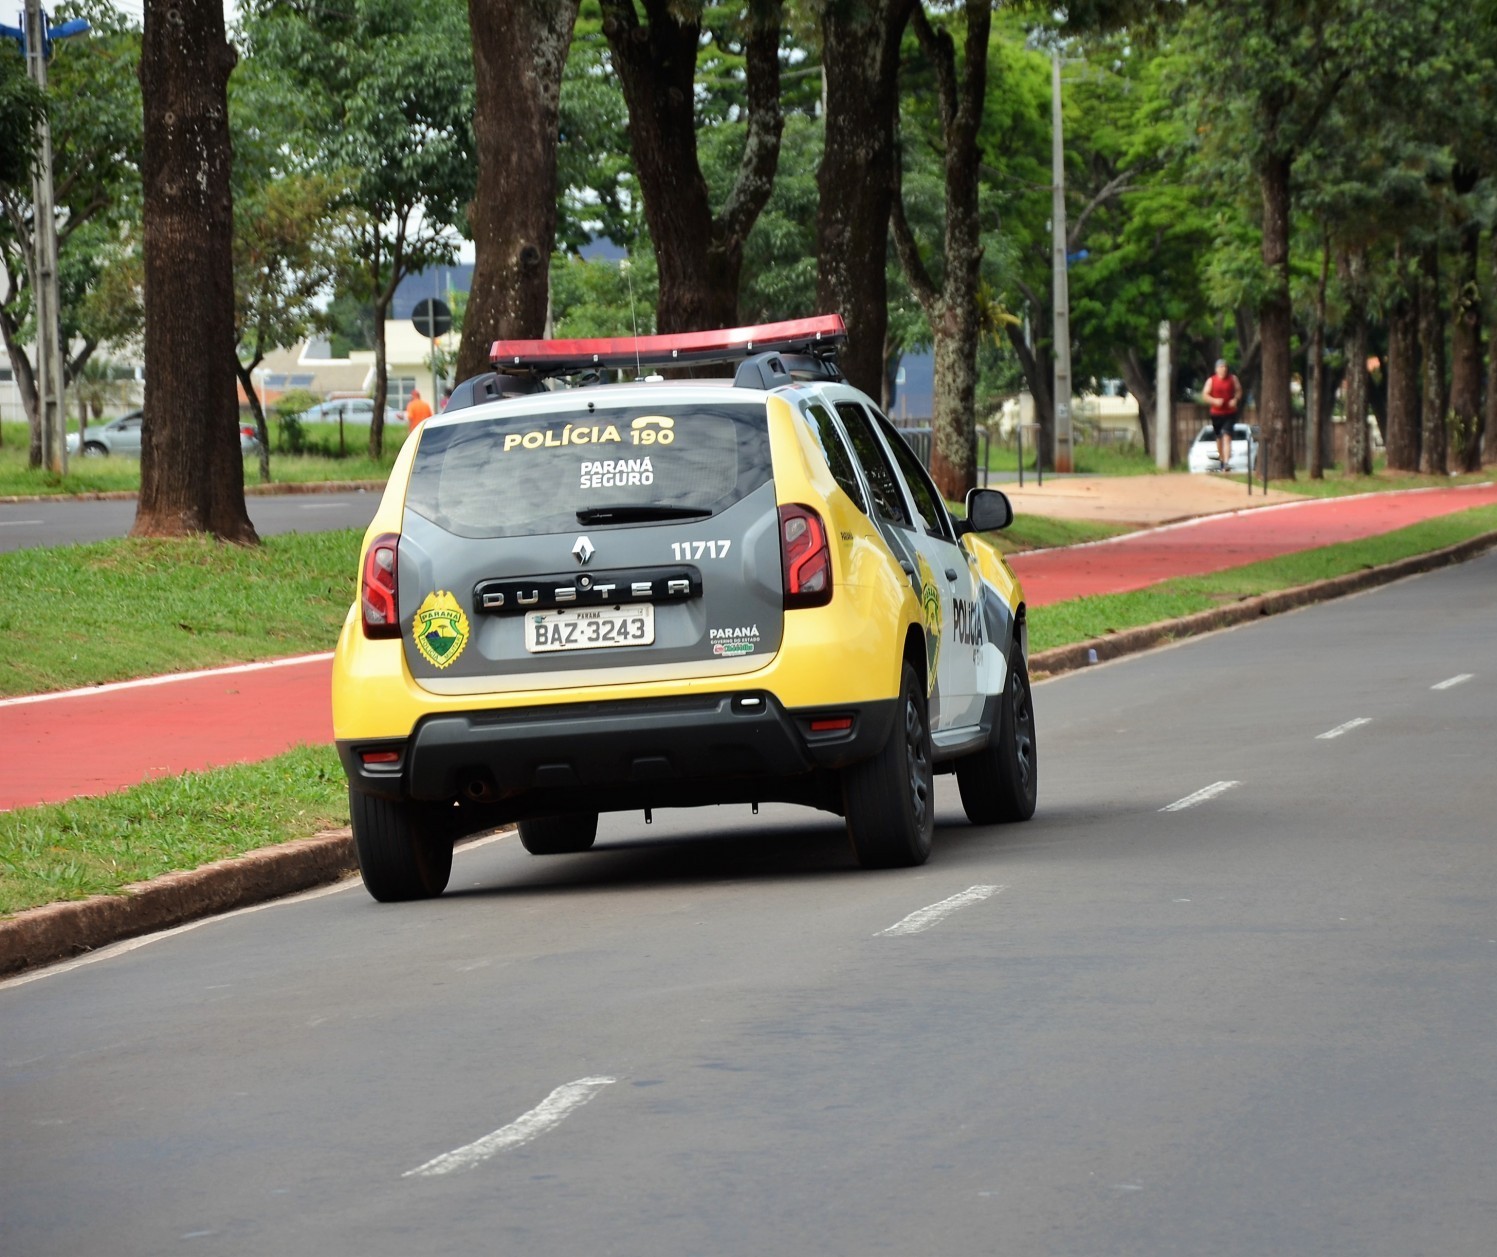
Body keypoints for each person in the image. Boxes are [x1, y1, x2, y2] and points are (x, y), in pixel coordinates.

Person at [1201, 359, 1242, 472]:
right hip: (1216, 414)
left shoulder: (1233, 379)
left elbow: (1239, 391)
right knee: (1219, 438)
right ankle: (1222, 460)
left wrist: (1235, 399)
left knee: (1227, 437)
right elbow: (1204, 395)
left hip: (1229, 413)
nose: (1223, 369)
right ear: (1216, 369)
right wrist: (1214, 401)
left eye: (1225, 367)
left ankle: (1227, 463)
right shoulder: (1211, 380)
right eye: (1221, 367)